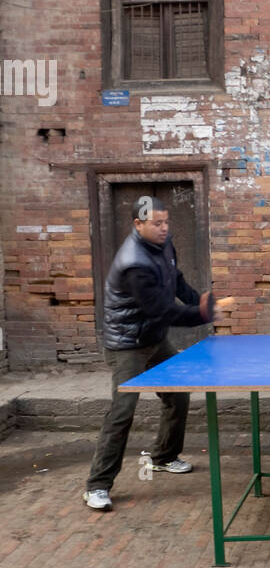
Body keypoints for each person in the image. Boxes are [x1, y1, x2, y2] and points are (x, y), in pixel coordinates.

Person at [83, 199, 235, 512]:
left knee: (177, 395)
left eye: (166, 222)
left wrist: (203, 301)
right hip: (127, 344)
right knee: (123, 411)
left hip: (154, 338)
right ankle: (97, 485)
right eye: (157, 223)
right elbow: (161, 310)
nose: (164, 228)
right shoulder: (133, 264)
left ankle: (163, 457)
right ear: (138, 225)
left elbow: (176, 281)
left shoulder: (164, 246)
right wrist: (202, 314)